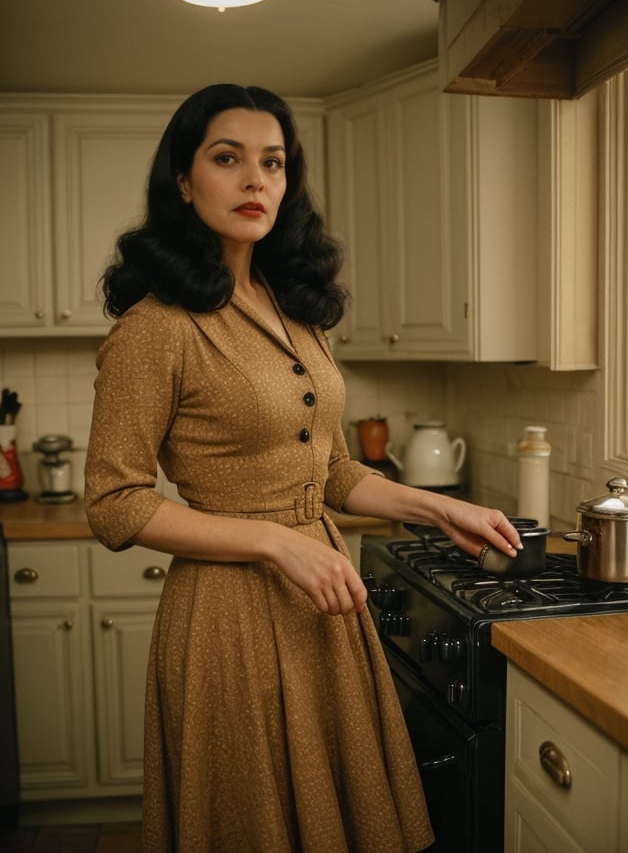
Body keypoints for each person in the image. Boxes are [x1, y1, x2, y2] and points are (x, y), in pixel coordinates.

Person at [84, 84, 522, 853]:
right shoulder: (155, 329)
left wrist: (434, 507)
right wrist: (274, 542)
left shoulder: (295, 310)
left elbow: (333, 473)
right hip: (227, 623)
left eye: (274, 162)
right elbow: (114, 504)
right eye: (229, 159)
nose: (257, 180)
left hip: (321, 610)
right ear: (184, 183)